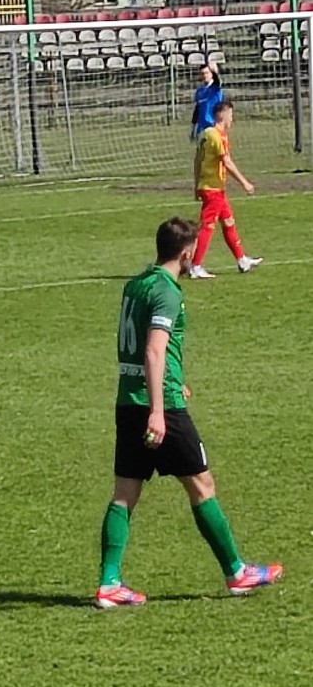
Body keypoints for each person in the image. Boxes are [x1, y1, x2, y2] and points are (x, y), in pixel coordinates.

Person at [95, 217, 281, 609]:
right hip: (159, 407)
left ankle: (109, 582)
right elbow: (153, 349)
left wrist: (171, 380)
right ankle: (236, 571)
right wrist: (160, 409)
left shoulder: (135, 284)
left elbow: (134, 350)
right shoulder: (167, 292)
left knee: (125, 494)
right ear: (185, 252)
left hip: (128, 401)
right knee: (202, 485)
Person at [190, 101, 261, 279]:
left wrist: (196, 185)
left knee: (228, 222)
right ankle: (195, 266)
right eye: (231, 114)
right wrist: (245, 183)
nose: (232, 119)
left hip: (212, 188)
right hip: (213, 189)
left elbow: (197, 161)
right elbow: (226, 162)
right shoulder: (217, 136)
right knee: (207, 226)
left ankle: (241, 259)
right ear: (223, 115)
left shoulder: (205, 134)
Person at [190, 61, 223, 141]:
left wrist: (215, 71)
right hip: (201, 129)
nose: (204, 75)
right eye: (202, 73)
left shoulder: (216, 88)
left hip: (214, 127)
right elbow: (197, 110)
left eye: (207, 73)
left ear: (212, 74)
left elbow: (219, 81)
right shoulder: (199, 91)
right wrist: (193, 128)